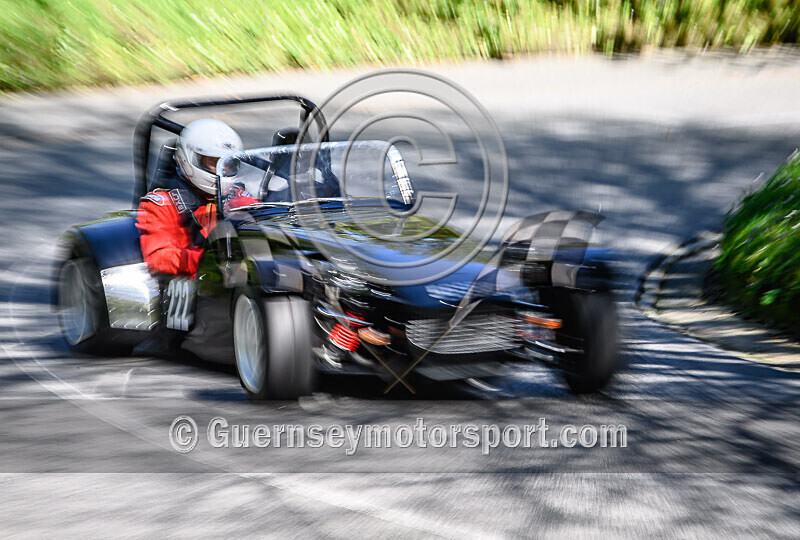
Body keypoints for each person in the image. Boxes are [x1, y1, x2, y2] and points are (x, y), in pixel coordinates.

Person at [136, 118, 257, 277]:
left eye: (229, 164)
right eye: (215, 162)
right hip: (190, 285)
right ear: (190, 158)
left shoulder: (238, 196)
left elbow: (267, 226)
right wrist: (208, 261)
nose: (223, 169)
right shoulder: (162, 204)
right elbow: (158, 257)